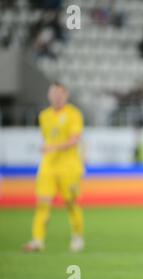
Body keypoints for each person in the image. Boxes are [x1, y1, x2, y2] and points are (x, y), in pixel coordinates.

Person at [23, 83, 85, 253]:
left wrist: (52, 148)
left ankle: (77, 236)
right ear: (49, 95)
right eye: (53, 93)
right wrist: (50, 150)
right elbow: (48, 138)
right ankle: (37, 240)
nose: (56, 96)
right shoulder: (44, 115)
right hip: (48, 166)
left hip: (69, 166)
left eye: (59, 93)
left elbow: (74, 139)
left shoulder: (74, 114)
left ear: (66, 95)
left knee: (71, 203)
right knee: (43, 203)